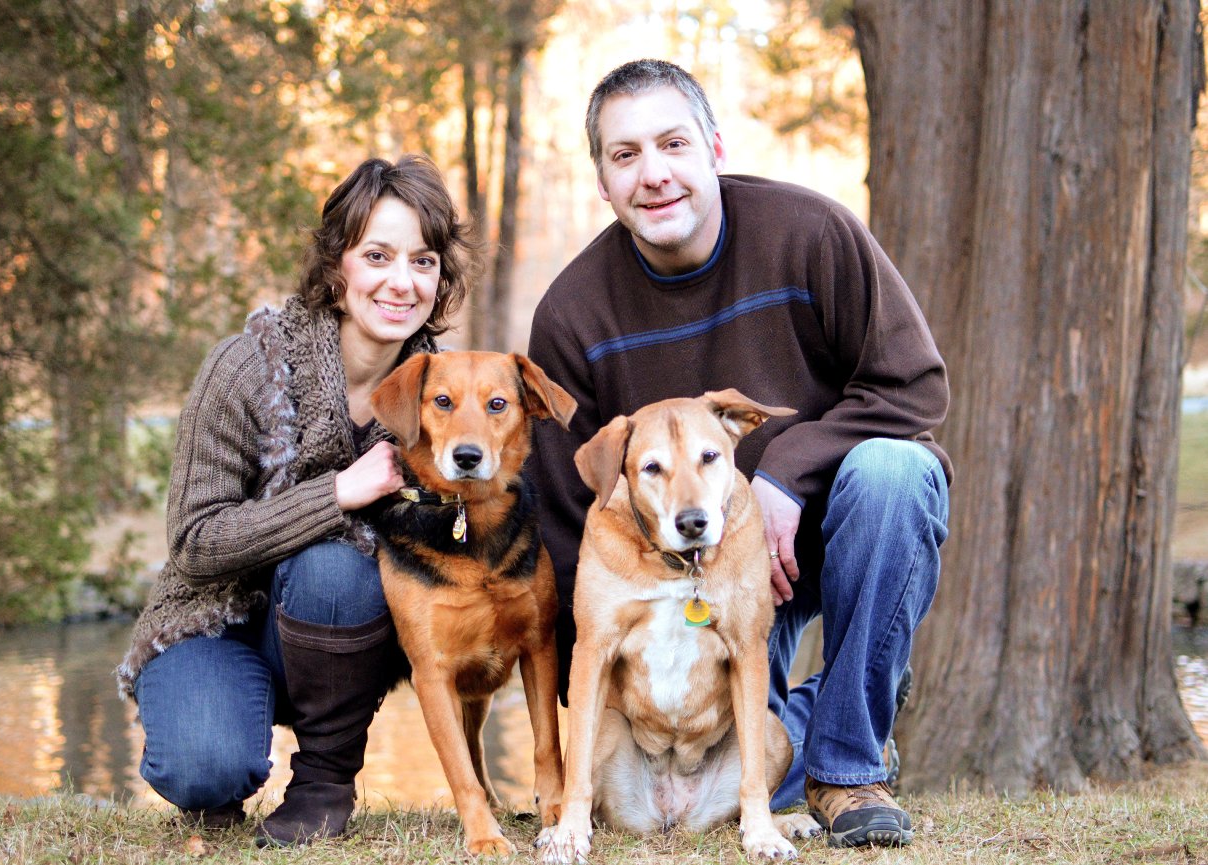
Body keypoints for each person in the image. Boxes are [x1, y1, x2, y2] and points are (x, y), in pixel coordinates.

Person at [528, 59, 952, 849]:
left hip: (823, 534)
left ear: (714, 147)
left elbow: (914, 389)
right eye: (625, 155)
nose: (654, 174)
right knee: (735, 748)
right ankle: (803, 732)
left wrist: (782, 477)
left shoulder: (810, 234)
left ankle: (847, 769)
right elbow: (561, 523)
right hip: (684, 572)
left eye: (672, 144)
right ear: (603, 181)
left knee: (896, 471)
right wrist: (588, 742)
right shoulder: (571, 314)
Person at [115, 155, 477, 846]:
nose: (402, 282)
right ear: (337, 264)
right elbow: (193, 543)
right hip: (214, 621)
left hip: (344, 634)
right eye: (377, 256)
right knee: (203, 768)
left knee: (335, 570)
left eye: (423, 262)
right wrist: (338, 493)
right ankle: (221, 745)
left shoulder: (448, 393)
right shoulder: (245, 368)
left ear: (441, 278)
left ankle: (323, 784)